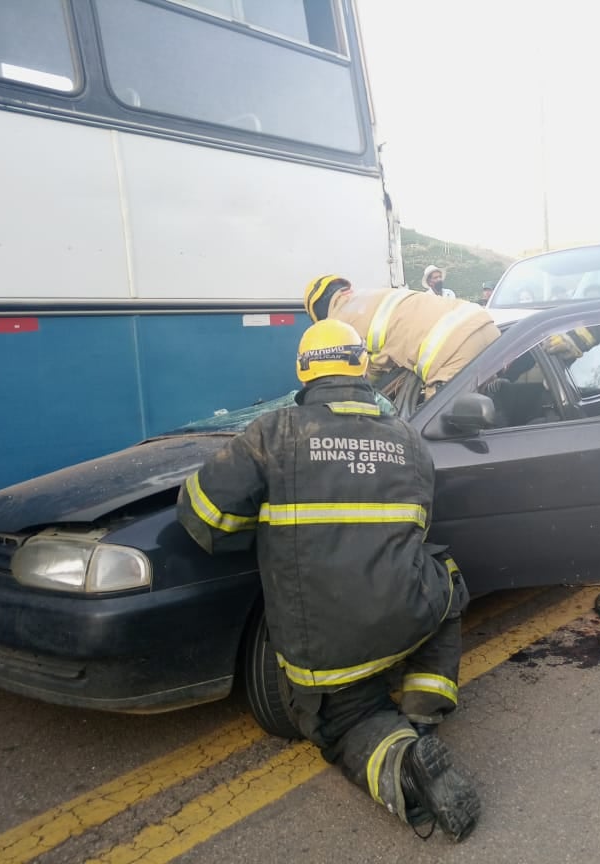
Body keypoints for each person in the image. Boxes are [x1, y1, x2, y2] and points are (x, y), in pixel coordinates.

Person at [176, 319, 480, 841]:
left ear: (302, 372)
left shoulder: (274, 433)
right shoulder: (408, 439)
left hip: (328, 642)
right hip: (407, 616)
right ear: (364, 366)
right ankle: (424, 709)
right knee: (445, 574)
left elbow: (203, 518)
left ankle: (405, 765)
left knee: (344, 720)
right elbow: (416, 529)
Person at [304, 274, 500, 398]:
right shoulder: (370, 296)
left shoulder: (342, 324)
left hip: (452, 352)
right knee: (485, 390)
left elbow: (366, 369)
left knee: (437, 427)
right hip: (486, 326)